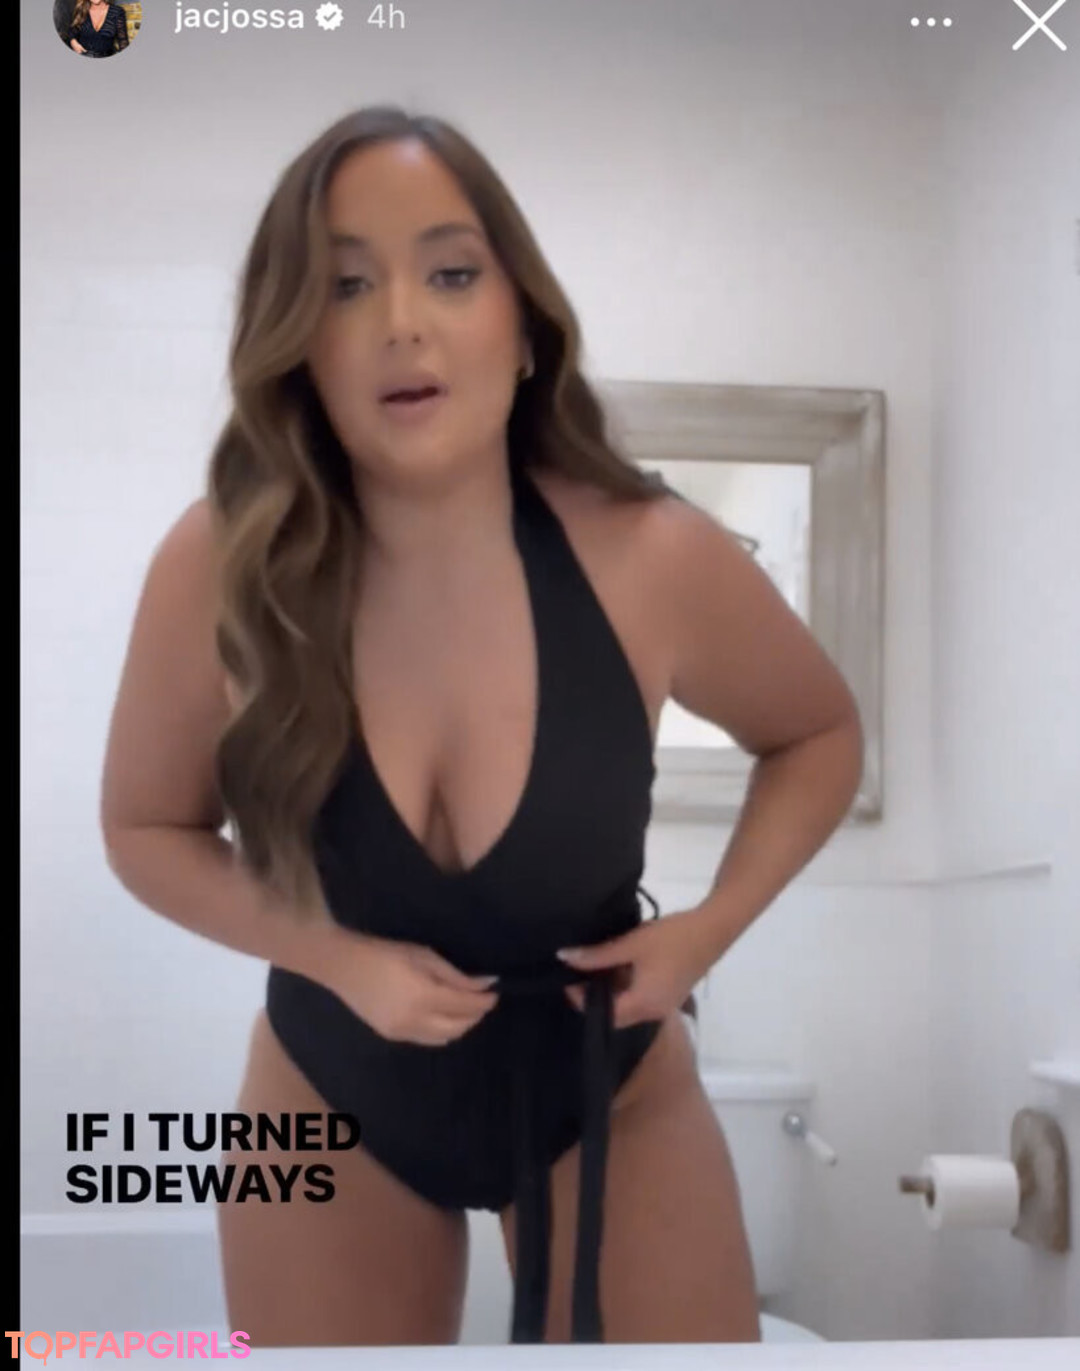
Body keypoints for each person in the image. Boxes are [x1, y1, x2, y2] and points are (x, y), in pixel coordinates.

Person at [99, 106, 864, 1346]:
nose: (402, 320)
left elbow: (819, 734)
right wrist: (339, 958)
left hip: (607, 1089)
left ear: (523, 324)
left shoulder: (653, 556)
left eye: (451, 274)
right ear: (299, 344)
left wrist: (707, 933)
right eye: (346, 285)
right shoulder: (218, 563)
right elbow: (144, 829)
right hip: (329, 1088)